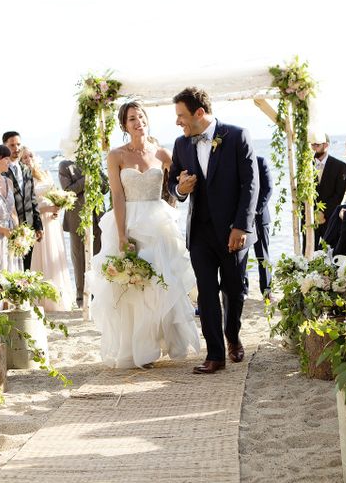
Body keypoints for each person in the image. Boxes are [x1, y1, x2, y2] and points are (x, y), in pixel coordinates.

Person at [89, 99, 200, 368]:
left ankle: (160, 342)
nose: (138, 122)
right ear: (124, 125)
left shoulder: (162, 153)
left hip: (157, 223)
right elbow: (117, 195)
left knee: (161, 281)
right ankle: (140, 349)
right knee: (133, 287)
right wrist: (122, 234)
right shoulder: (116, 156)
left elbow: (179, 181)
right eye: (132, 119)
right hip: (128, 222)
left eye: (141, 116)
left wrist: (184, 183)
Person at [168, 86, 259, 375]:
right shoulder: (181, 144)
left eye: (181, 116)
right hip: (199, 233)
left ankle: (232, 336)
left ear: (199, 113)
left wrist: (241, 226)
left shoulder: (237, 136)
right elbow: (172, 183)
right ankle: (215, 355)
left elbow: (250, 185)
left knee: (233, 290)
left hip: (233, 232)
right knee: (206, 293)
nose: (178, 122)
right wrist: (180, 190)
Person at [20, 147, 75, 311]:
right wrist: (47, 209)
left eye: (30, 155)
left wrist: (58, 206)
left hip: (52, 222)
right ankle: (42, 299)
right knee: (40, 257)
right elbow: (27, 207)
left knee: (54, 256)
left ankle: (59, 296)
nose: (28, 159)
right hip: (39, 221)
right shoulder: (23, 179)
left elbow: (53, 194)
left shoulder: (45, 173)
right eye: (24, 157)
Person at [58, 158, 106, 308]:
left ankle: (98, 296)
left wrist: (97, 177)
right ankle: (81, 299)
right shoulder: (65, 165)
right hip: (76, 219)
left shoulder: (94, 161)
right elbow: (67, 192)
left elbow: (105, 188)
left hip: (97, 217)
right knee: (79, 259)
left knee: (98, 256)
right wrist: (86, 179)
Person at [2, 131, 43, 269]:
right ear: (4, 146)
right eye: (12, 145)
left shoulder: (26, 169)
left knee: (26, 269)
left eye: (18, 144)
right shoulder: (1, 171)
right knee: (10, 269)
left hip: (28, 229)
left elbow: (32, 199)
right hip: (10, 228)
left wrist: (38, 225)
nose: (16, 148)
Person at [309, 134, 346, 250]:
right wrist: (312, 213)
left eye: (317, 144)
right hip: (310, 219)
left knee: (330, 252)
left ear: (326, 145)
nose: (313, 147)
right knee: (308, 254)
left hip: (330, 218)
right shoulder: (305, 166)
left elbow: (339, 194)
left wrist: (323, 212)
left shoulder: (340, 166)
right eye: (312, 144)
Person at [254, 156, 273, 298]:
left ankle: (266, 290)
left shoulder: (260, 161)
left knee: (263, 255)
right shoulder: (235, 162)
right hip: (239, 218)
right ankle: (243, 289)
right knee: (240, 256)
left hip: (260, 216)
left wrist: (255, 211)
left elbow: (268, 189)